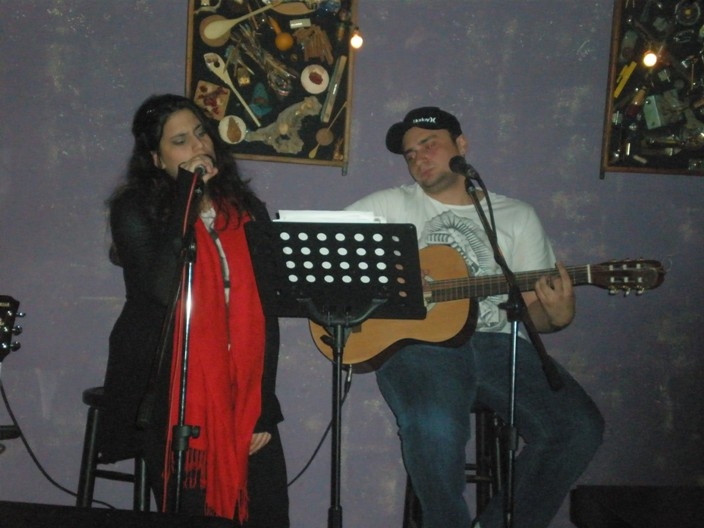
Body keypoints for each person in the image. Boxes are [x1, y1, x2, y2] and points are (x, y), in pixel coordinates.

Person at [345, 107, 604, 528]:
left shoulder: (516, 216)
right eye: (410, 154)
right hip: (418, 347)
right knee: (436, 425)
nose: (418, 158)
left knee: (578, 428)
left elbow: (533, 315)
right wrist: (391, 283)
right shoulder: (387, 205)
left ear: (461, 145)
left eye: (429, 144)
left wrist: (557, 315)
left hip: (499, 345)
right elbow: (329, 259)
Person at [101, 94, 289, 527]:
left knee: (269, 512)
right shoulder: (134, 208)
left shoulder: (245, 209)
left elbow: (267, 310)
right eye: (180, 141)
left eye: (201, 133)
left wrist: (263, 404)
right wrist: (189, 194)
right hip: (167, 388)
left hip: (245, 388)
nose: (199, 146)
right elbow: (163, 288)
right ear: (155, 159)